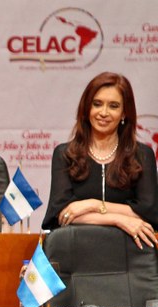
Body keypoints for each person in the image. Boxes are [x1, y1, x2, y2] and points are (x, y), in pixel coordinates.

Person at [42, 71, 158, 249]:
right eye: (97, 104)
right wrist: (119, 219)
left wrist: (92, 205)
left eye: (113, 106)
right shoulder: (64, 154)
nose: (103, 113)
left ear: (124, 113)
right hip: (77, 251)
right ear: (87, 108)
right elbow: (62, 214)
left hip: (129, 254)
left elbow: (148, 211)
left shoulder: (142, 155)